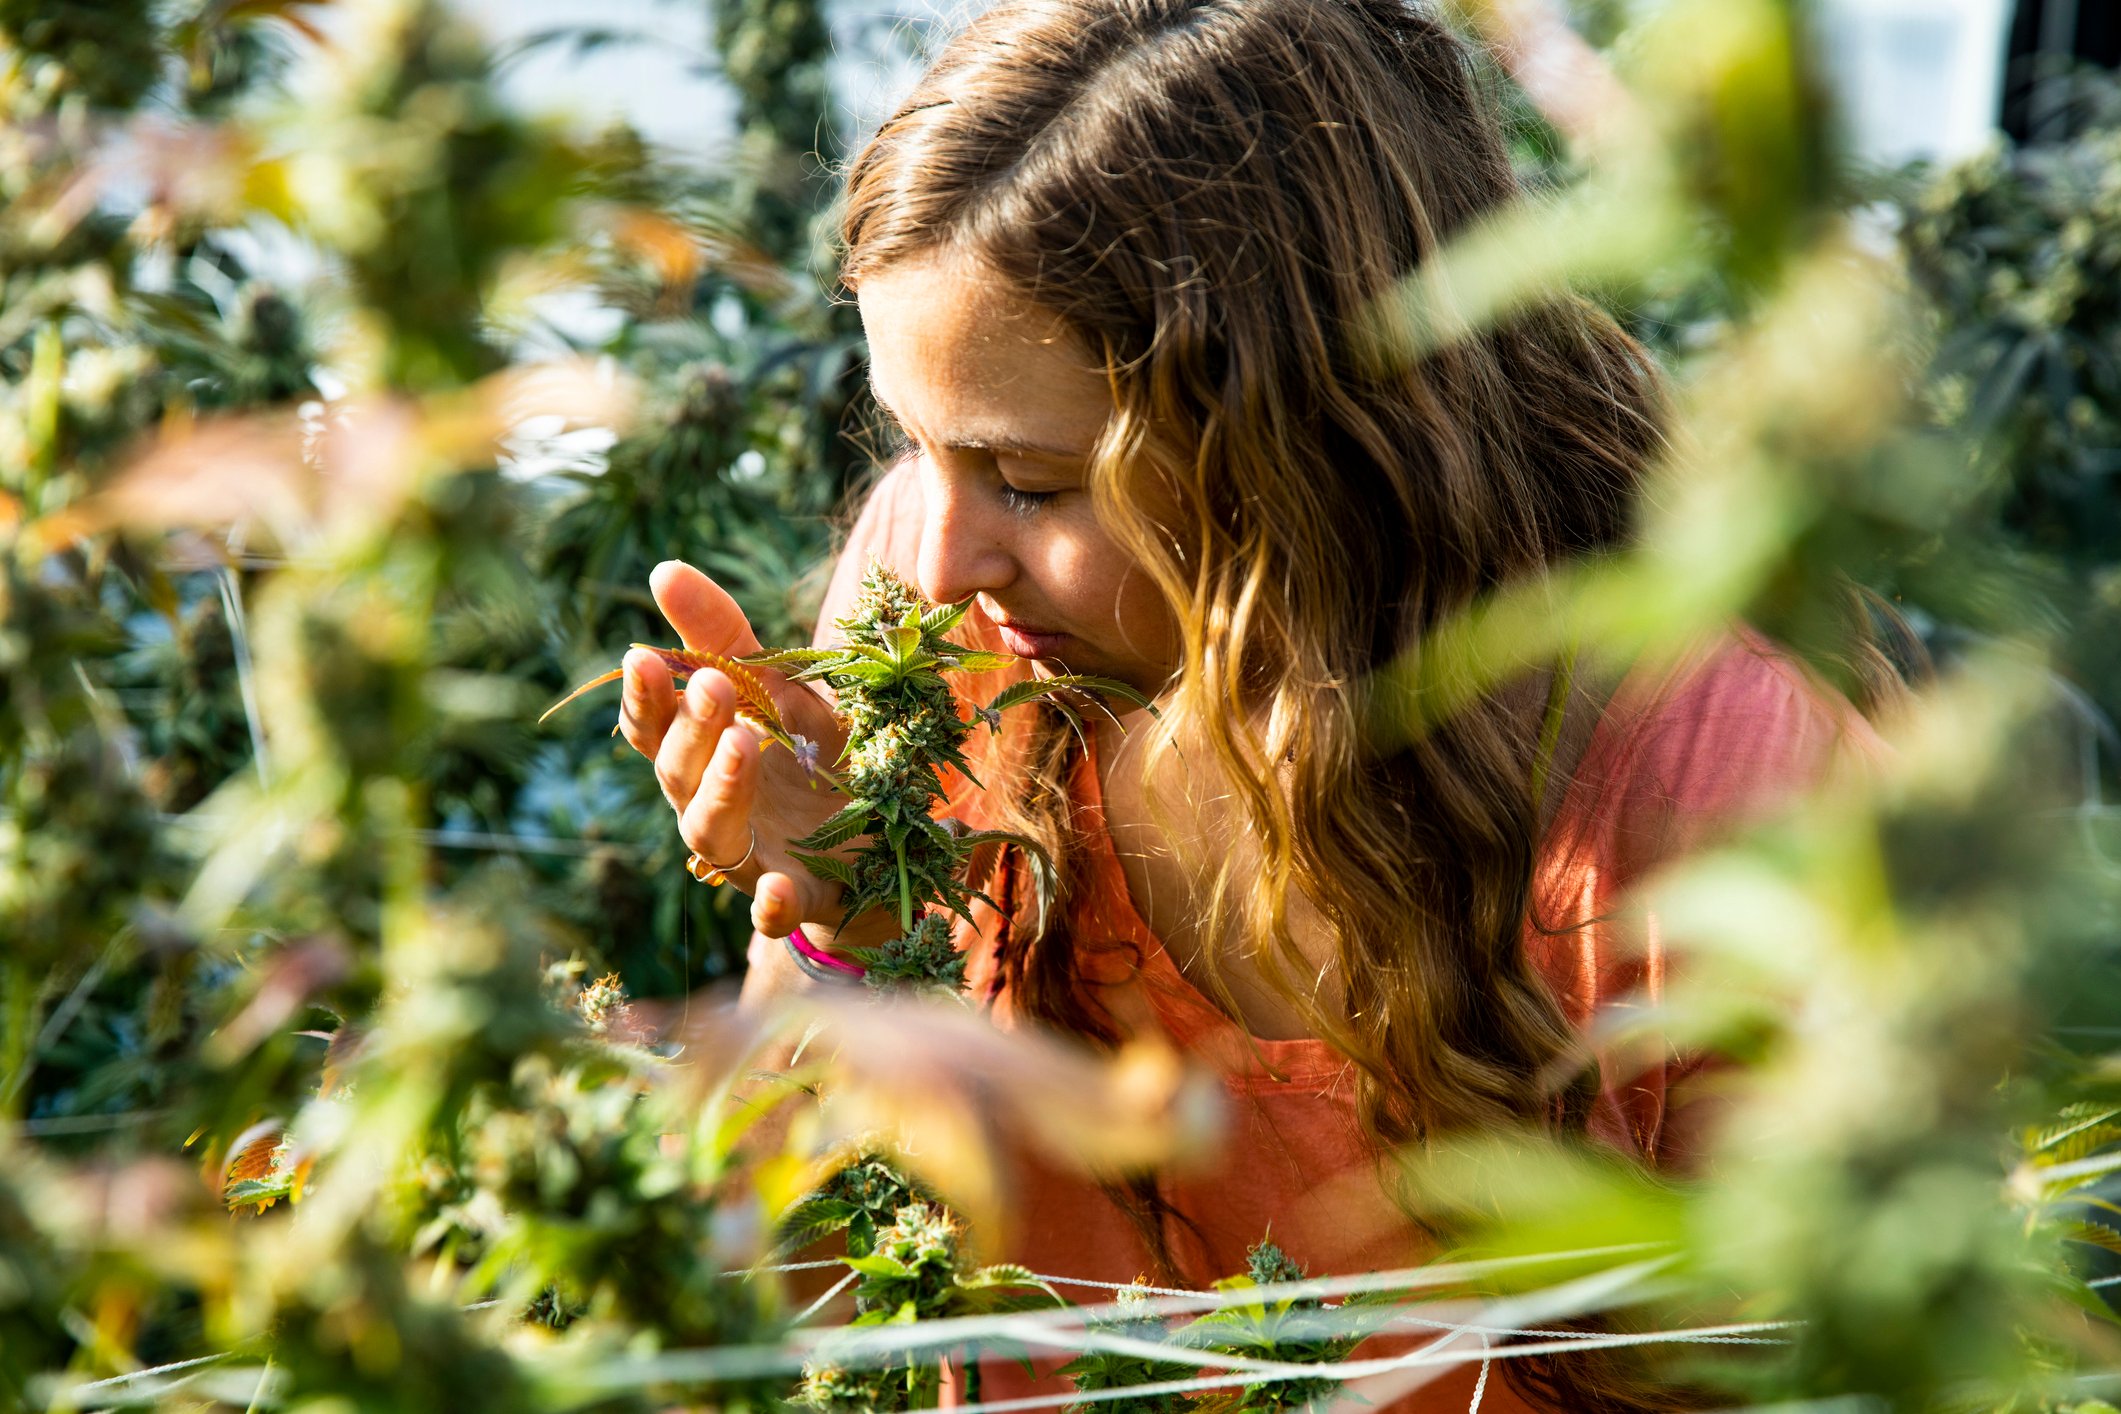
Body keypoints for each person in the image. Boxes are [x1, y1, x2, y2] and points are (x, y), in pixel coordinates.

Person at [615, 0, 1885, 1406]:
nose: (932, 558)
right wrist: (843, 939)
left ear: (1307, 433)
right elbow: (810, 1319)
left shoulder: (1714, 789)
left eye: (1029, 482)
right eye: (919, 450)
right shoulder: (953, 650)